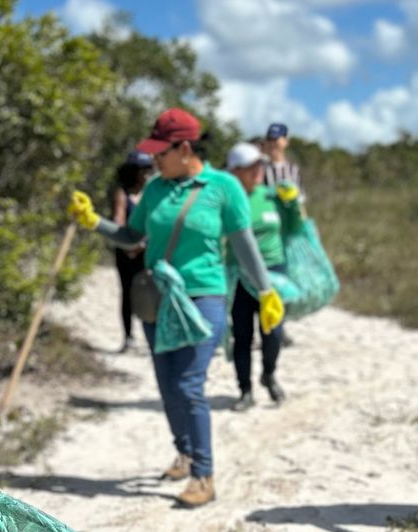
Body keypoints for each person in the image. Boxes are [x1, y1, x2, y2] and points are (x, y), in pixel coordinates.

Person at [66, 109, 284, 508]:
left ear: (185, 149)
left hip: (203, 297)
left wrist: (266, 291)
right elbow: (132, 236)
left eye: (160, 153)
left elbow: (244, 245)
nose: (153, 160)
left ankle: (204, 474)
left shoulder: (224, 187)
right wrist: (94, 221)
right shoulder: (155, 189)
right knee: (167, 384)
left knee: (188, 384)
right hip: (158, 299)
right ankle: (183, 452)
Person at [224, 141, 303, 410]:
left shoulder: (271, 196)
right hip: (240, 275)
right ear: (235, 171)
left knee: (273, 332)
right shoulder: (227, 200)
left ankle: (269, 374)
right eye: (251, 166)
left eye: (260, 165)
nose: (258, 170)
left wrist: (293, 204)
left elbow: (294, 228)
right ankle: (245, 390)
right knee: (243, 335)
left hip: (273, 273)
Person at [110, 149, 154, 351]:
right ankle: (128, 336)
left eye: (147, 169)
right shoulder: (122, 193)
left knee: (150, 290)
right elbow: (118, 220)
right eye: (141, 170)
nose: (145, 174)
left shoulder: (151, 193)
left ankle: (151, 334)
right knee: (127, 291)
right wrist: (128, 245)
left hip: (148, 251)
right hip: (127, 252)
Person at [259, 122, 300, 194]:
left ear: (286, 141)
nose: (272, 144)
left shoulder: (294, 169)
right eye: (269, 139)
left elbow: (300, 196)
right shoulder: (259, 168)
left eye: (275, 139)